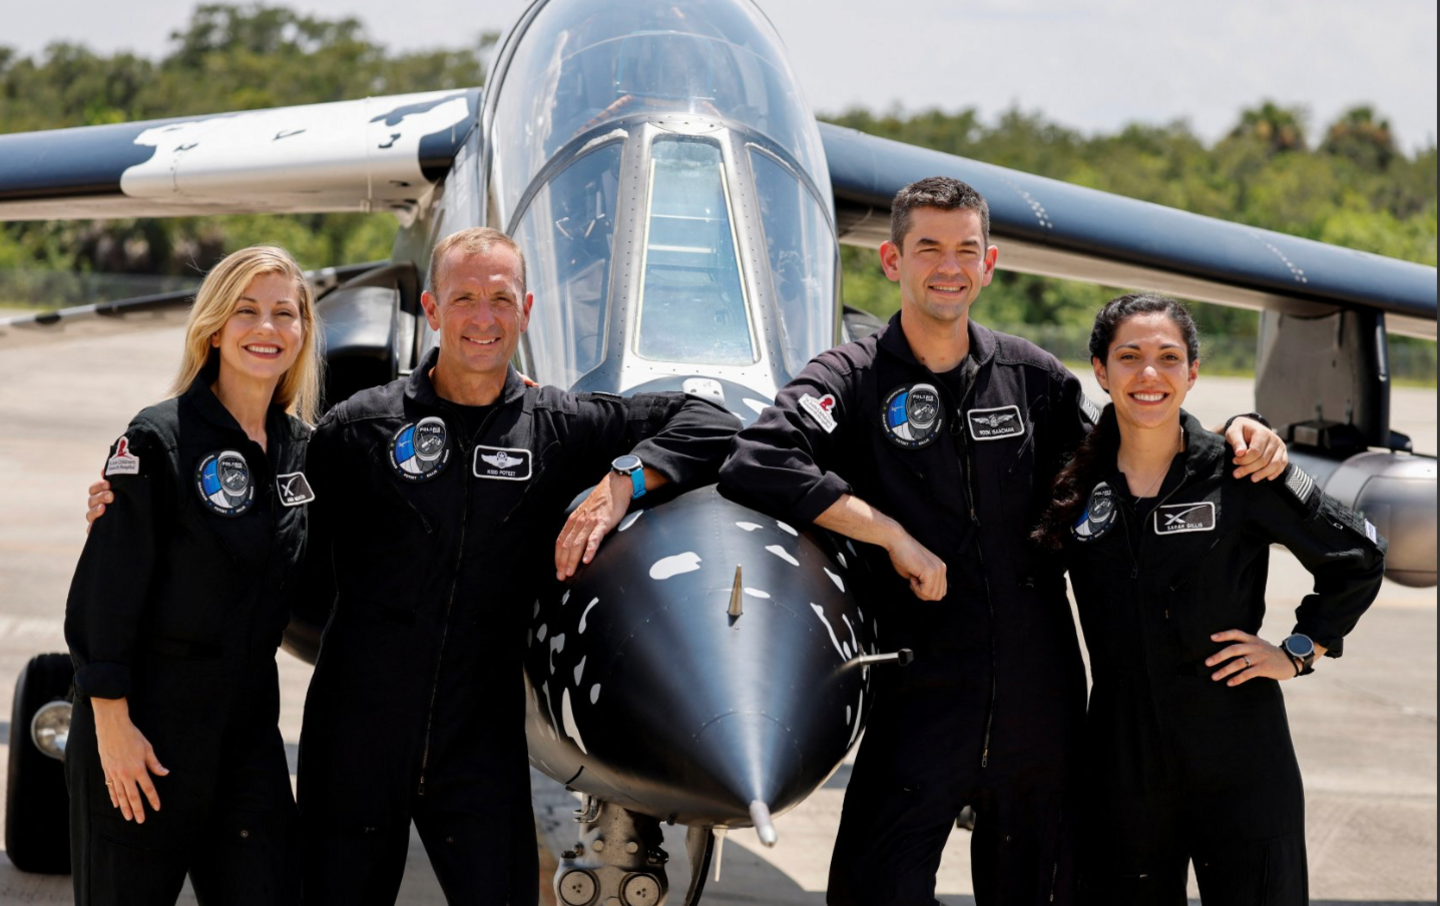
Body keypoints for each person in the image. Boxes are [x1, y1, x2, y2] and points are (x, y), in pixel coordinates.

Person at [716, 177, 1289, 905]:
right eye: (928, 248)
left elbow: (1130, 457)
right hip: (920, 693)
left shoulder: (1033, 379)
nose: (948, 267)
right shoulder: (851, 378)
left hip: (1039, 704)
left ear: (989, 265)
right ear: (892, 261)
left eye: (966, 249)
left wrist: (1236, 431)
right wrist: (890, 534)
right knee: (871, 889)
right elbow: (758, 459)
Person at [292, 227, 734, 904]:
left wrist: (623, 481)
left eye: (501, 299)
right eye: (464, 298)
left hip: (479, 746)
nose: (483, 318)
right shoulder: (360, 429)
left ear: (525, 309)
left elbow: (710, 423)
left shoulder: (560, 427)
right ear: (433, 311)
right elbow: (269, 533)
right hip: (355, 739)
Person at [1031, 294, 1385, 904]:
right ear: (1099, 370)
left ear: (1192, 373)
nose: (1150, 374)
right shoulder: (1074, 483)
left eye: (1169, 358)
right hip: (1121, 760)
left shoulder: (1240, 470)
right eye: (1129, 356)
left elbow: (1357, 556)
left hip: (1239, 755)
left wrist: (1300, 650)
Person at [65, 246, 321, 905]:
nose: (266, 329)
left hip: (247, 735)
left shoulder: (303, 452)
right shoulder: (158, 439)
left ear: (303, 332)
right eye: (247, 311)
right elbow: (105, 595)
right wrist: (112, 728)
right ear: (214, 327)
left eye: (283, 314)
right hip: (146, 731)